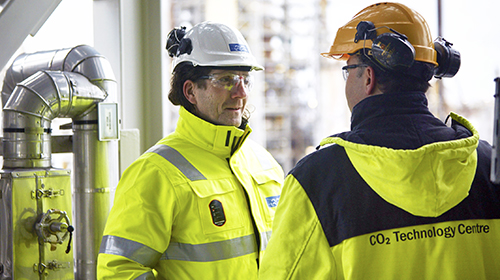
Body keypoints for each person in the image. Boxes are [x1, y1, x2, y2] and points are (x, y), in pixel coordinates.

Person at [259, 2, 500, 279]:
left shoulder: (317, 182)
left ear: (368, 78)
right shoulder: (488, 168)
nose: (346, 80)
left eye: (348, 69)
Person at [97, 21, 283, 279]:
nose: (240, 93)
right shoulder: (154, 173)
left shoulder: (264, 164)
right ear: (190, 90)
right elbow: (118, 272)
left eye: (245, 79)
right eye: (226, 80)